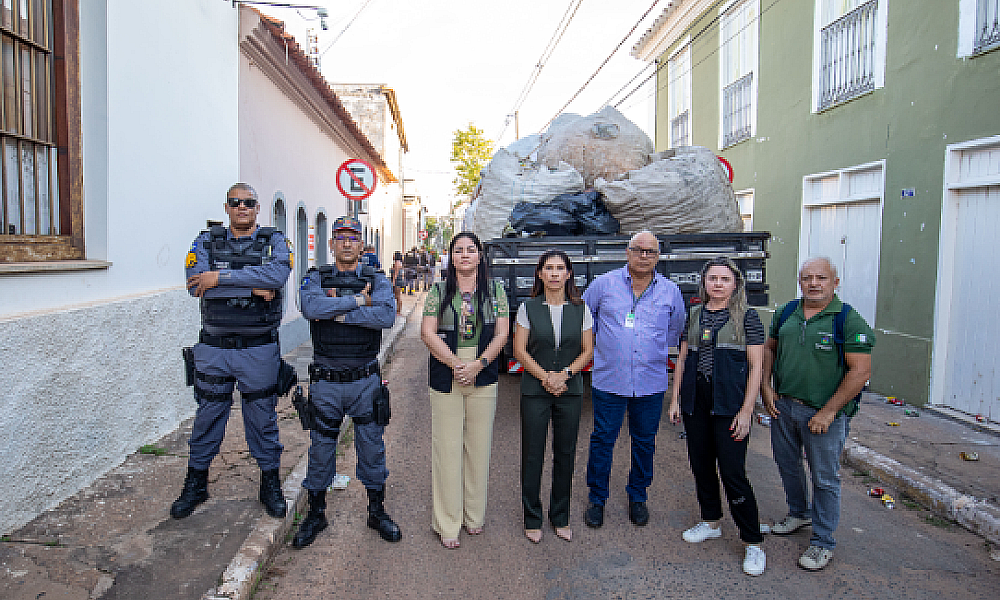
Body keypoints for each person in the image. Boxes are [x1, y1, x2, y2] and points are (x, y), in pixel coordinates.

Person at [174, 183, 291, 521]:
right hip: (214, 349)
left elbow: (278, 275)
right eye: (235, 202)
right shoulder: (206, 241)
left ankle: (269, 484)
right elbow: (196, 285)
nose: (242, 207)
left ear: (257, 208)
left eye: (249, 203)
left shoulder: (274, 241)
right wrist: (252, 285)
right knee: (207, 417)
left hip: (259, 350)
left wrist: (219, 277)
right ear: (226, 207)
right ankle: (196, 484)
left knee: (262, 421)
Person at [291, 216, 401, 548]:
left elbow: (386, 315)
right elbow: (310, 306)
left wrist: (335, 311)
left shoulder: (375, 278)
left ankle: (376, 511)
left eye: (353, 237)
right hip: (325, 383)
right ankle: (316, 514)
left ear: (359, 242)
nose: (347, 242)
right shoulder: (316, 277)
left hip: (364, 381)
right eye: (341, 237)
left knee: (372, 448)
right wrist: (358, 301)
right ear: (332, 244)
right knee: (321, 449)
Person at [761, 257, 875, 571]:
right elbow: (769, 348)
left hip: (823, 416)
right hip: (783, 406)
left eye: (821, 278)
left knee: (824, 478)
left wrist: (828, 412)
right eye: (807, 277)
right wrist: (766, 386)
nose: (814, 283)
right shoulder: (787, 312)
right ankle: (799, 513)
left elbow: (860, 371)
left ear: (834, 283)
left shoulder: (847, 319)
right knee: (787, 464)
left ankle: (823, 541)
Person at [667, 257, 766, 576]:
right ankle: (711, 521)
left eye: (725, 279)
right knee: (701, 466)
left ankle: (753, 541)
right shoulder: (694, 315)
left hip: (730, 406)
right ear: (704, 283)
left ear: (735, 283)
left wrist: (748, 411)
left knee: (733, 472)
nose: (718, 284)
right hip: (697, 404)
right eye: (712, 278)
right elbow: (682, 360)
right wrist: (676, 400)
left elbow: (756, 368)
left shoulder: (748, 318)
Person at [581, 230, 685, 528]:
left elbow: (672, 331)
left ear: (658, 255)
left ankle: (638, 496)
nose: (643, 256)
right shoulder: (603, 285)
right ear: (627, 252)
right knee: (603, 440)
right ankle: (597, 499)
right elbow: (587, 324)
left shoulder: (670, 291)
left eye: (650, 251)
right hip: (609, 380)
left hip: (650, 382)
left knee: (644, 442)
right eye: (638, 250)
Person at [420, 232, 509, 549]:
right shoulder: (438, 291)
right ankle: (447, 522)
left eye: (471, 250)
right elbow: (427, 332)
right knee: (447, 448)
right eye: (459, 250)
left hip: (482, 372)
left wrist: (478, 364)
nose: (465, 255)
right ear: (451, 257)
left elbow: (502, 334)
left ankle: (474, 517)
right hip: (447, 372)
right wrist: (457, 364)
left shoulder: (495, 291)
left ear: (480, 256)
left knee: (478, 447)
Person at [513, 250, 594, 544]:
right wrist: (547, 377)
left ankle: (560, 516)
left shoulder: (580, 309)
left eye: (561, 268)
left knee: (565, 453)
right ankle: (532, 517)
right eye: (549, 268)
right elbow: (520, 350)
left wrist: (565, 376)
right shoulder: (528, 308)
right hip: (535, 390)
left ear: (569, 274)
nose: (555, 273)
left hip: (569, 391)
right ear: (540, 274)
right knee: (533, 454)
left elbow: (588, 350)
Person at [390, 251, 404, 315]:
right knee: (397, 296)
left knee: (397, 296)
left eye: (394, 255)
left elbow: (396, 273)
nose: (393, 256)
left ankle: (398, 311)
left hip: (397, 281)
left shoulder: (397, 263)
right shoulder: (400, 263)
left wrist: (393, 282)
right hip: (399, 280)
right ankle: (398, 310)